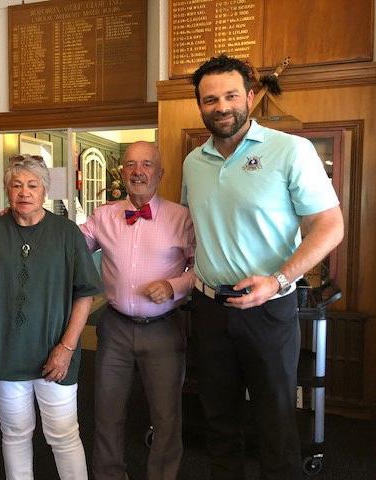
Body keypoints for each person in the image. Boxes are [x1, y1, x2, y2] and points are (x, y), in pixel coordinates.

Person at [182, 54, 344, 480]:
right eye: (210, 99)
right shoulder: (193, 162)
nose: (222, 106)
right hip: (210, 308)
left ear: (250, 97)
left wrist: (277, 280)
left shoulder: (290, 150)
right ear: (199, 105)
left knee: (275, 423)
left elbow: (330, 226)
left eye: (231, 95)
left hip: (269, 309)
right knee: (218, 421)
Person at [0, 154, 102, 480]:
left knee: (63, 434)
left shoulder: (66, 232)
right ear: (7, 190)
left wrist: (67, 348)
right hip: (6, 353)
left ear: (45, 190)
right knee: (14, 433)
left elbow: (85, 294)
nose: (24, 192)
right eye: (16, 185)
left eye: (32, 185)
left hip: (55, 354)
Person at [80, 141, 196, 480]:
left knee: (166, 417)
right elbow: (70, 247)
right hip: (115, 328)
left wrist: (174, 286)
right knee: (107, 412)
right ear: (122, 172)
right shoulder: (103, 216)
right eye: (130, 164)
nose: (138, 171)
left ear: (160, 173)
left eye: (146, 164)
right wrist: (31, 220)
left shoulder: (181, 217)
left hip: (164, 329)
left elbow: (201, 269)